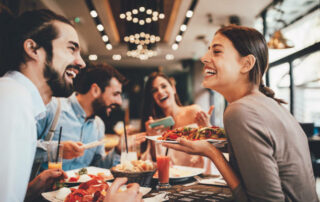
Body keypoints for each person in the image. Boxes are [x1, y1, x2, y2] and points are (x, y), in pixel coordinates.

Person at [164, 24, 318, 201]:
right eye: (208, 51)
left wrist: (212, 152)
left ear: (246, 64)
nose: (204, 58)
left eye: (217, 51)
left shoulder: (239, 110)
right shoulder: (271, 105)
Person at [0, 8, 141, 202]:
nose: (81, 63)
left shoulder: (17, 98)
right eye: (71, 48)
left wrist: (29, 192)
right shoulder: (12, 100)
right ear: (33, 49)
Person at [36, 63, 128, 171]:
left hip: (80, 188)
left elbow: (97, 168)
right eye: (115, 94)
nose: (120, 101)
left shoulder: (98, 125)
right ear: (95, 90)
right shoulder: (52, 108)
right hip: (46, 187)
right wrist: (57, 150)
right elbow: (20, 148)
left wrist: (117, 150)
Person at [140, 72, 212, 168]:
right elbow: (153, 162)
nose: (160, 92)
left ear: (173, 88)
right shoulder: (157, 125)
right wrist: (152, 138)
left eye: (164, 86)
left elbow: (212, 148)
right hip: (171, 179)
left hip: (197, 175)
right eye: (154, 90)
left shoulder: (194, 112)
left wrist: (207, 128)